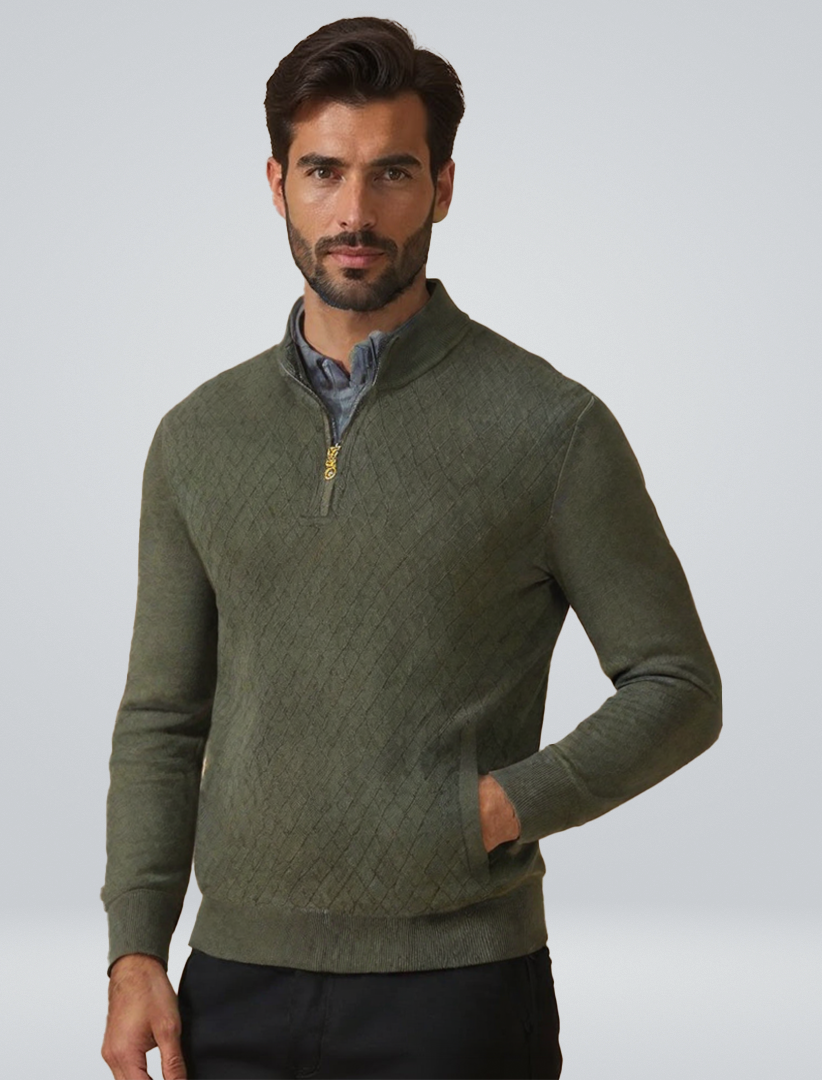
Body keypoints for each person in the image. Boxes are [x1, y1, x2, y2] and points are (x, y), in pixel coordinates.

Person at [100, 16, 722, 1080]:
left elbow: (677, 685)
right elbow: (162, 717)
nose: (355, 212)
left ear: (442, 187)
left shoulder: (550, 428)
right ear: (277, 184)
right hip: (232, 981)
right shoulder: (198, 438)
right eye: (323, 172)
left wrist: (499, 808)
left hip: (459, 989)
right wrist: (135, 952)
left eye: (391, 172)